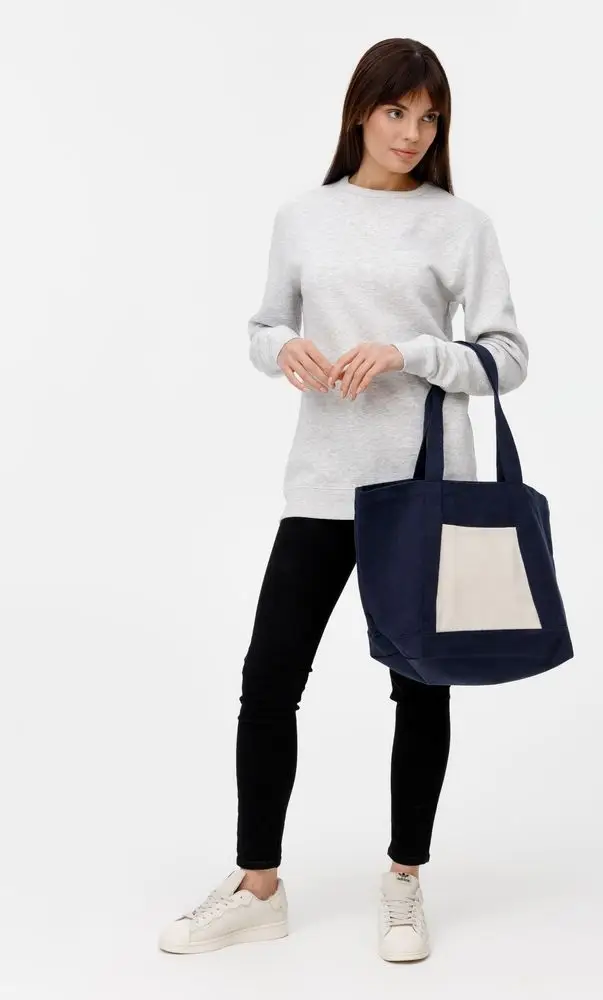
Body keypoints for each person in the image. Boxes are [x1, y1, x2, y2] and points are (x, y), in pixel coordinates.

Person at [158, 36, 529, 963]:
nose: (413, 132)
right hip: (323, 481)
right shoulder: (304, 217)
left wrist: (408, 352)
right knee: (268, 682)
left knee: (421, 685)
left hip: (425, 487)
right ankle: (257, 887)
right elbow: (262, 323)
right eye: (397, 111)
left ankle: (404, 879)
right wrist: (280, 348)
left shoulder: (460, 224)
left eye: (429, 117)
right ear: (361, 111)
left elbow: (507, 358)